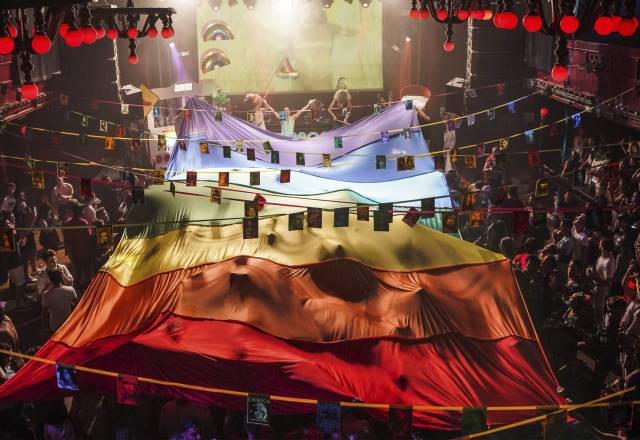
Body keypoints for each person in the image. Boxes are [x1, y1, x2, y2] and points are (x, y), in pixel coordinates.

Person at [61, 203, 94, 293]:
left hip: (74, 251)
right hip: (84, 251)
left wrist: (69, 252)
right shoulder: (83, 222)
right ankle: (87, 287)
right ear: (80, 212)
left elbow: (67, 240)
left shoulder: (67, 224)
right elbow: (88, 237)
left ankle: (78, 287)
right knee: (86, 270)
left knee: (78, 270)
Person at [41, 268, 77, 333]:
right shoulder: (70, 290)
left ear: (50, 280)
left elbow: (44, 315)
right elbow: (76, 306)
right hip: (69, 323)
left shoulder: (46, 295)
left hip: (55, 327)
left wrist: (45, 329)